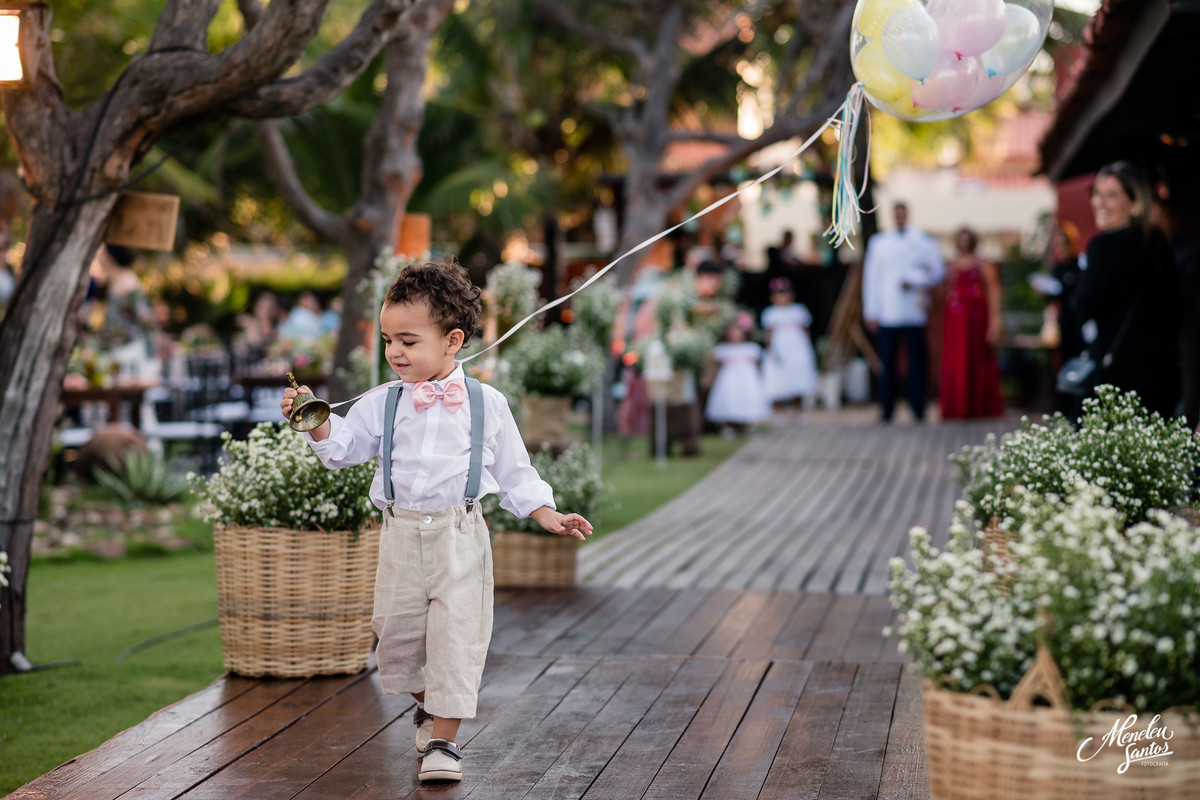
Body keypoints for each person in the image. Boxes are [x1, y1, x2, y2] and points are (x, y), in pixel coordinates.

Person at [281, 260, 593, 784]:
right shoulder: (382, 402)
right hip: (399, 533)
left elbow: (515, 471)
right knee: (397, 640)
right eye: (388, 340)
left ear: (452, 341)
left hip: (459, 535)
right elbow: (344, 449)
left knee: (456, 637)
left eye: (408, 340)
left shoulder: (486, 404)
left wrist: (547, 513)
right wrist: (314, 423)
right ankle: (427, 707)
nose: (394, 353)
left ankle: (444, 742)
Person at [1071, 161, 1183, 419]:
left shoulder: (1103, 247)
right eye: (1097, 193)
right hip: (1162, 376)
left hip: (1115, 377)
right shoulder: (1158, 243)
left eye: (1112, 195)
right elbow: (1175, 311)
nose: (1100, 202)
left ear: (1134, 204)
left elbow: (1082, 308)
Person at [862, 201, 945, 422]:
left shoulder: (922, 241)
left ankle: (918, 406)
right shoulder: (879, 242)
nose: (900, 217)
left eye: (903, 213)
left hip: (913, 311)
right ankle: (887, 407)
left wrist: (916, 280)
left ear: (907, 214)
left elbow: (937, 271)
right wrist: (871, 311)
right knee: (887, 363)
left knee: (917, 361)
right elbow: (871, 279)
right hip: (887, 311)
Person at [939, 227, 1005, 419]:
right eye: (961, 239)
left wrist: (995, 322)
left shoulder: (983, 264)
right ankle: (957, 405)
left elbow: (994, 292)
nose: (964, 243)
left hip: (976, 321)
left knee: (978, 359)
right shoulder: (951, 266)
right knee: (956, 361)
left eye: (967, 239)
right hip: (955, 322)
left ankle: (980, 405)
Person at [762, 277, 818, 422]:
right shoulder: (770, 313)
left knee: (798, 378)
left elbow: (806, 331)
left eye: (786, 292)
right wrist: (771, 351)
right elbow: (768, 334)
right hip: (779, 350)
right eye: (779, 293)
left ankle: (798, 409)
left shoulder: (799, 310)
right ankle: (780, 411)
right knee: (779, 379)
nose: (783, 296)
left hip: (797, 349)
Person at [705, 316, 770, 434]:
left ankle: (745, 425)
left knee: (746, 398)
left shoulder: (751, 348)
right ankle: (726, 426)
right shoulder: (723, 349)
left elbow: (756, 366)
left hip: (746, 378)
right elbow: (713, 363)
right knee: (728, 398)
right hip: (729, 378)